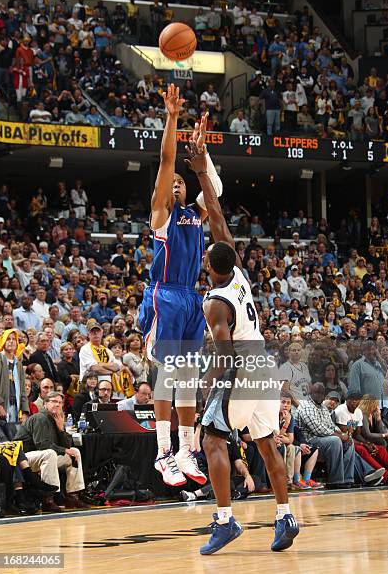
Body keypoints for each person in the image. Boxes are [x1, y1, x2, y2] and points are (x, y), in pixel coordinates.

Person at [185, 142, 298, 555]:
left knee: (212, 440)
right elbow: (216, 217)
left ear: (208, 266)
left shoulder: (215, 300)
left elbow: (224, 353)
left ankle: (225, 520)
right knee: (267, 442)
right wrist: (202, 173)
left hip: (243, 369)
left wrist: (210, 389)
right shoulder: (238, 276)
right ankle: (285, 515)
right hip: (264, 366)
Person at [139, 86, 222, 487]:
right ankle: (162, 452)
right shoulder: (162, 216)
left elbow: (216, 192)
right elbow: (167, 160)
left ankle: (187, 449)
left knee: (188, 377)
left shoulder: (195, 214)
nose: (174, 184)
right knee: (168, 376)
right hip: (165, 294)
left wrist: (204, 158)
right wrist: (171, 118)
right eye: (168, 183)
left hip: (192, 297)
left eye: (179, 183)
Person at [15, 391, 88, 512]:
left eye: (60, 402)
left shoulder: (56, 419)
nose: (57, 405)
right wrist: (64, 450)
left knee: (75, 452)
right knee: (50, 453)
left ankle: (73, 496)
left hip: (41, 457)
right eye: (54, 401)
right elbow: (42, 445)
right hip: (23, 458)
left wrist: (61, 429)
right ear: (45, 404)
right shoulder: (40, 418)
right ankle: (48, 499)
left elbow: (67, 446)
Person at [296, 382, 355, 489]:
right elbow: (317, 428)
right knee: (335, 441)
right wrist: (340, 436)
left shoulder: (322, 407)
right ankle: (335, 481)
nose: (319, 395)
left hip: (323, 439)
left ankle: (347, 479)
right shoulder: (305, 406)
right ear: (311, 392)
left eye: (322, 393)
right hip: (310, 440)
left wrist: (343, 435)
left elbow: (331, 425)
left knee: (350, 442)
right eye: (316, 393)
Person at [0, 329, 29, 441]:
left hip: (14, 408)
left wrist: (25, 412)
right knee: (3, 444)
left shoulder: (18, 364)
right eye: (8, 339)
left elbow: (23, 390)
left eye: (14, 339)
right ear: (3, 341)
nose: (11, 341)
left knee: (15, 442)